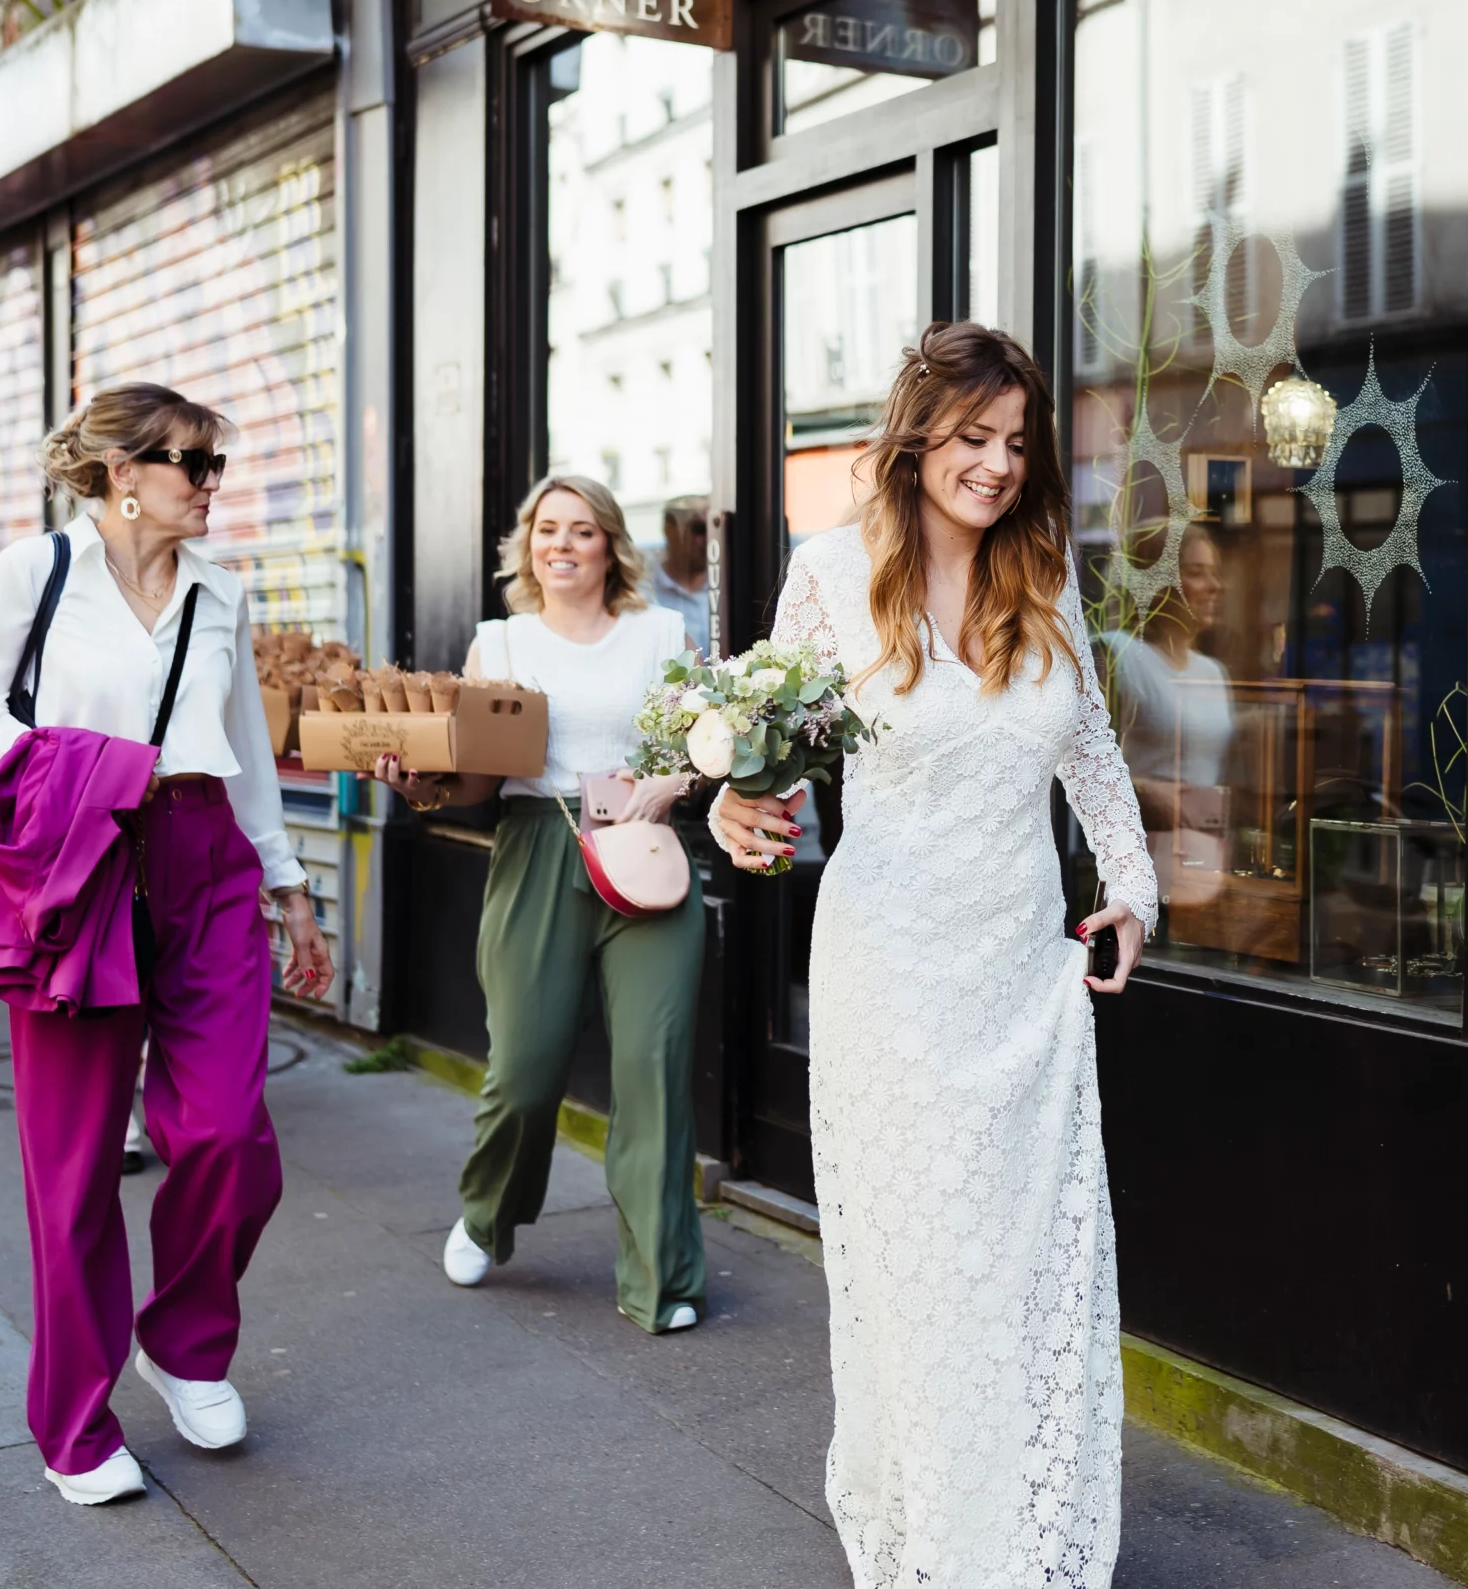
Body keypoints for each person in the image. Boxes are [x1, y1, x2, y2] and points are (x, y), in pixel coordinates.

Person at [715, 322, 1156, 1587]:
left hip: (1023, 979)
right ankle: (938, 1546)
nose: (1000, 465)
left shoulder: (1046, 571)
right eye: (974, 438)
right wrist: (733, 807)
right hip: (889, 981)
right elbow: (758, 745)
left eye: (1018, 443)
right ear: (916, 439)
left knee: (1025, 1276)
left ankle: (1019, 1541)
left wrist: (1131, 891)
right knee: (922, 1283)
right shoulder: (829, 572)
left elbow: (1092, 760)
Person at [0, 384, 334, 1507]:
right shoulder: (41, 569)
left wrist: (288, 882)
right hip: (81, 859)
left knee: (225, 1136)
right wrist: (91, 767)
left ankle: (185, 1342)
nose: (213, 484)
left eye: (217, 464)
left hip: (206, 858)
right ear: (124, 472)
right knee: (71, 1172)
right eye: (193, 464)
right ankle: (73, 1420)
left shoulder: (223, 590)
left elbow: (247, 746)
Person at [373, 474, 708, 1331]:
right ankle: (487, 1214)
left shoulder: (664, 631)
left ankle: (661, 1280)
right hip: (536, 847)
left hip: (642, 852)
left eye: (582, 530)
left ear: (611, 546)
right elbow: (480, 778)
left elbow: (709, 744)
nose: (562, 544)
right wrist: (421, 787)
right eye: (546, 529)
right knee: (522, 1074)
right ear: (529, 546)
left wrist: (676, 775)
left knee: (653, 1072)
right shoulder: (502, 643)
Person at [1100, 522, 1233, 902]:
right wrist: (1145, 791)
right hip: (1137, 862)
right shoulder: (1115, 655)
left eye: (1215, 573)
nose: (1214, 586)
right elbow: (1077, 766)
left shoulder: (1213, 672)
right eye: (1195, 572)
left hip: (1205, 862)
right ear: (1157, 581)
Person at [645, 493, 713, 652]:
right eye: (699, 529)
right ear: (669, 530)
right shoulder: (644, 590)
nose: (710, 538)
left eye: (715, 527)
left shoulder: (728, 585)